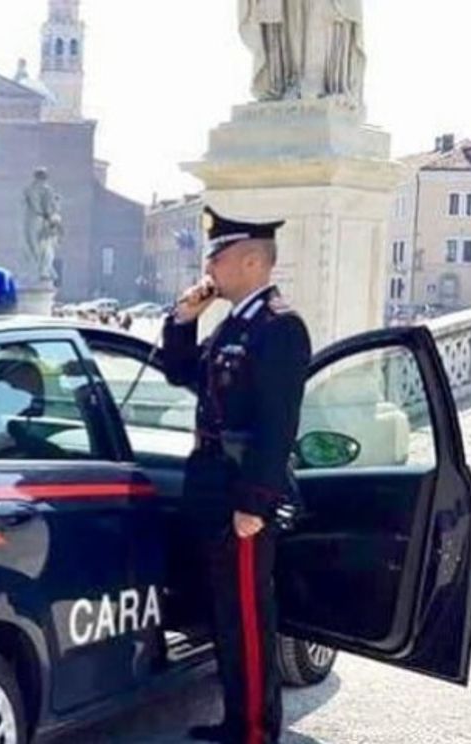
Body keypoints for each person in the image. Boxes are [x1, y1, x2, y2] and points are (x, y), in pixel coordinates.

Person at [162, 207, 312, 744]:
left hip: (240, 493)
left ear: (251, 259)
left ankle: (254, 733)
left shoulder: (279, 326)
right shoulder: (235, 324)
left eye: (217, 257)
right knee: (226, 612)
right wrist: (182, 319)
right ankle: (235, 720)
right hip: (209, 484)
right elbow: (181, 373)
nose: (210, 268)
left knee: (248, 616)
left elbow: (278, 425)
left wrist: (255, 502)